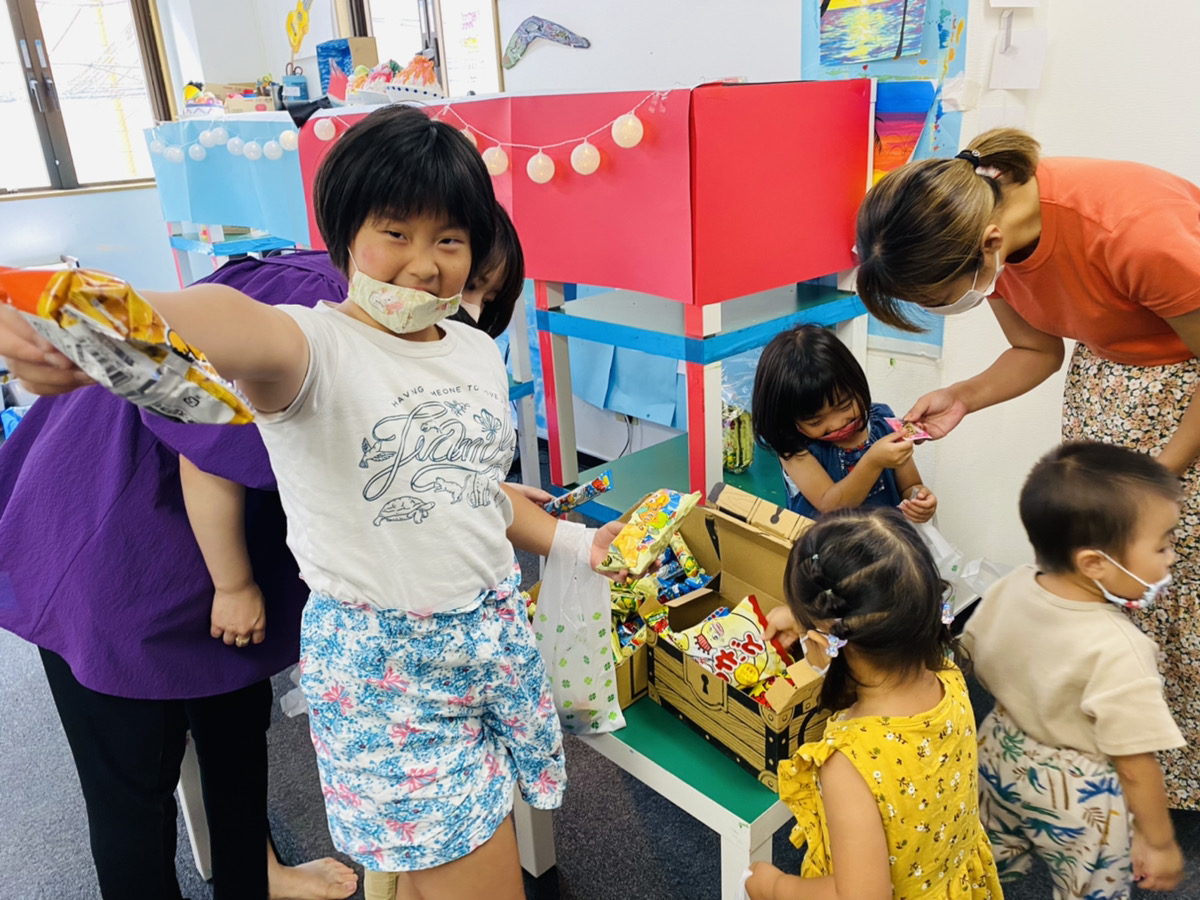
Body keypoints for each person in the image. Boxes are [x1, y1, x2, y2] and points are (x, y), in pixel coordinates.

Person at [3, 105, 622, 900]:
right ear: (346, 236)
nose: (426, 265)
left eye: (449, 240)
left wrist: (572, 543)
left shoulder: (468, 346)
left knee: (444, 850)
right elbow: (234, 325)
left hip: (485, 642)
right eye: (396, 231)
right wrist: (90, 314)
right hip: (385, 669)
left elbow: (468, 494)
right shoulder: (312, 342)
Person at [852, 127, 1200, 808]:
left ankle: (1173, 776)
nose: (942, 310)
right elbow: (1038, 351)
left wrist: (1161, 478)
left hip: (1183, 392)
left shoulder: (1130, 229)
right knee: (1104, 576)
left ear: (983, 246)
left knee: (1173, 578)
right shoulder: (993, 236)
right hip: (1113, 386)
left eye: (937, 297)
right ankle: (1132, 747)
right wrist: (964, 396)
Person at [0, 250, 358, 900]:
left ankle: (256, 876)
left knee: (236, 736)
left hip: (185, 546)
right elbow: (206, 440)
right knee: (133, 790)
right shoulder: (316, 305)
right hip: (115, 549)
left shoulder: (326, 284)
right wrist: (234, 584)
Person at [962, 442, 1185, 898]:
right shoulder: (1122, 647)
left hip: (996, 748)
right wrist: (1159, 843)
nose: (1172, 558)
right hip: (1078, 791)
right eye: (1162, 546)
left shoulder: (1013, 583)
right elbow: (1136, 763)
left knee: (984, 865)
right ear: (1095, 563)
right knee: (1088, 886)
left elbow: (973, 658)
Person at [746, 507, 1000, 900]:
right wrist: (809, 625)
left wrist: (776, 886)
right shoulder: (947, 676)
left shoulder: (848, 761)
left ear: (826, 640)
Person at [751, 324, 936, 523]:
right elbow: (831, 506)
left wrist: (920, 499)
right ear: (789, 419)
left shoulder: (884, 421)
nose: (837, 424)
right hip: (829, 550)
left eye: (845, 405)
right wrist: (873, 460)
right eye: (816, 421)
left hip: (887, 546)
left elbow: (910, 486)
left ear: (856, 382)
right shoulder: (795, 450)